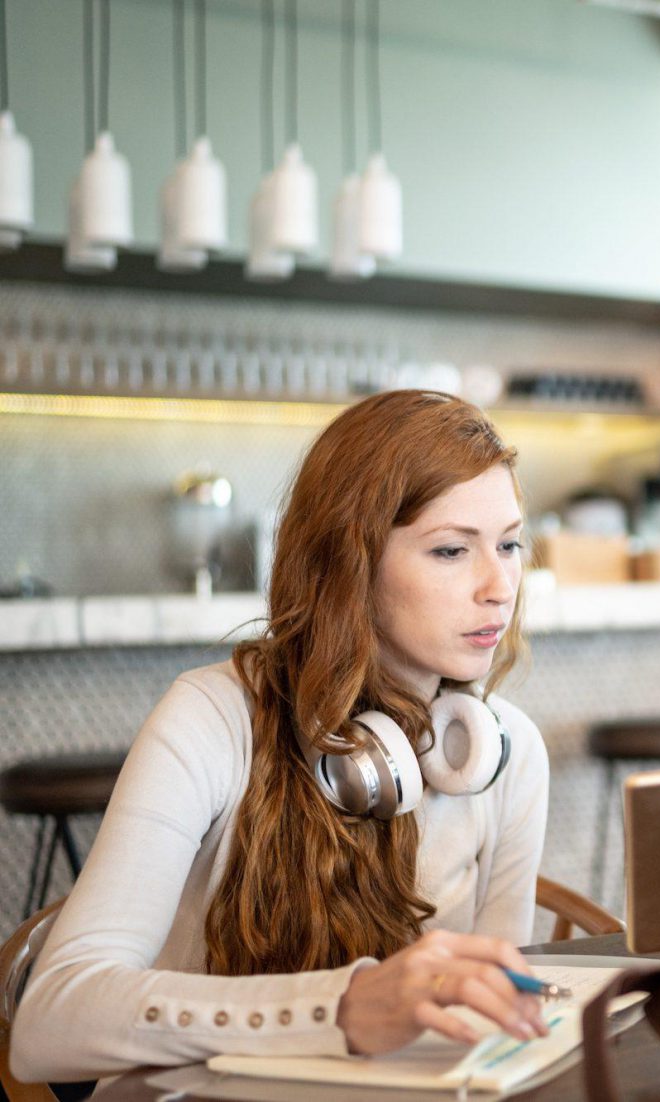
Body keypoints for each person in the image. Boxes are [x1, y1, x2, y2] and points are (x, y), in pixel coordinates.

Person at [12, 391, 551, 1084]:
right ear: (347, 563)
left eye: (509, 544)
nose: (500, 585)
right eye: (451, 550)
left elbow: (494, 1035)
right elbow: (51, 1020)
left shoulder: (506, 752)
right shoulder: (210, 719)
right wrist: (341, 1010)